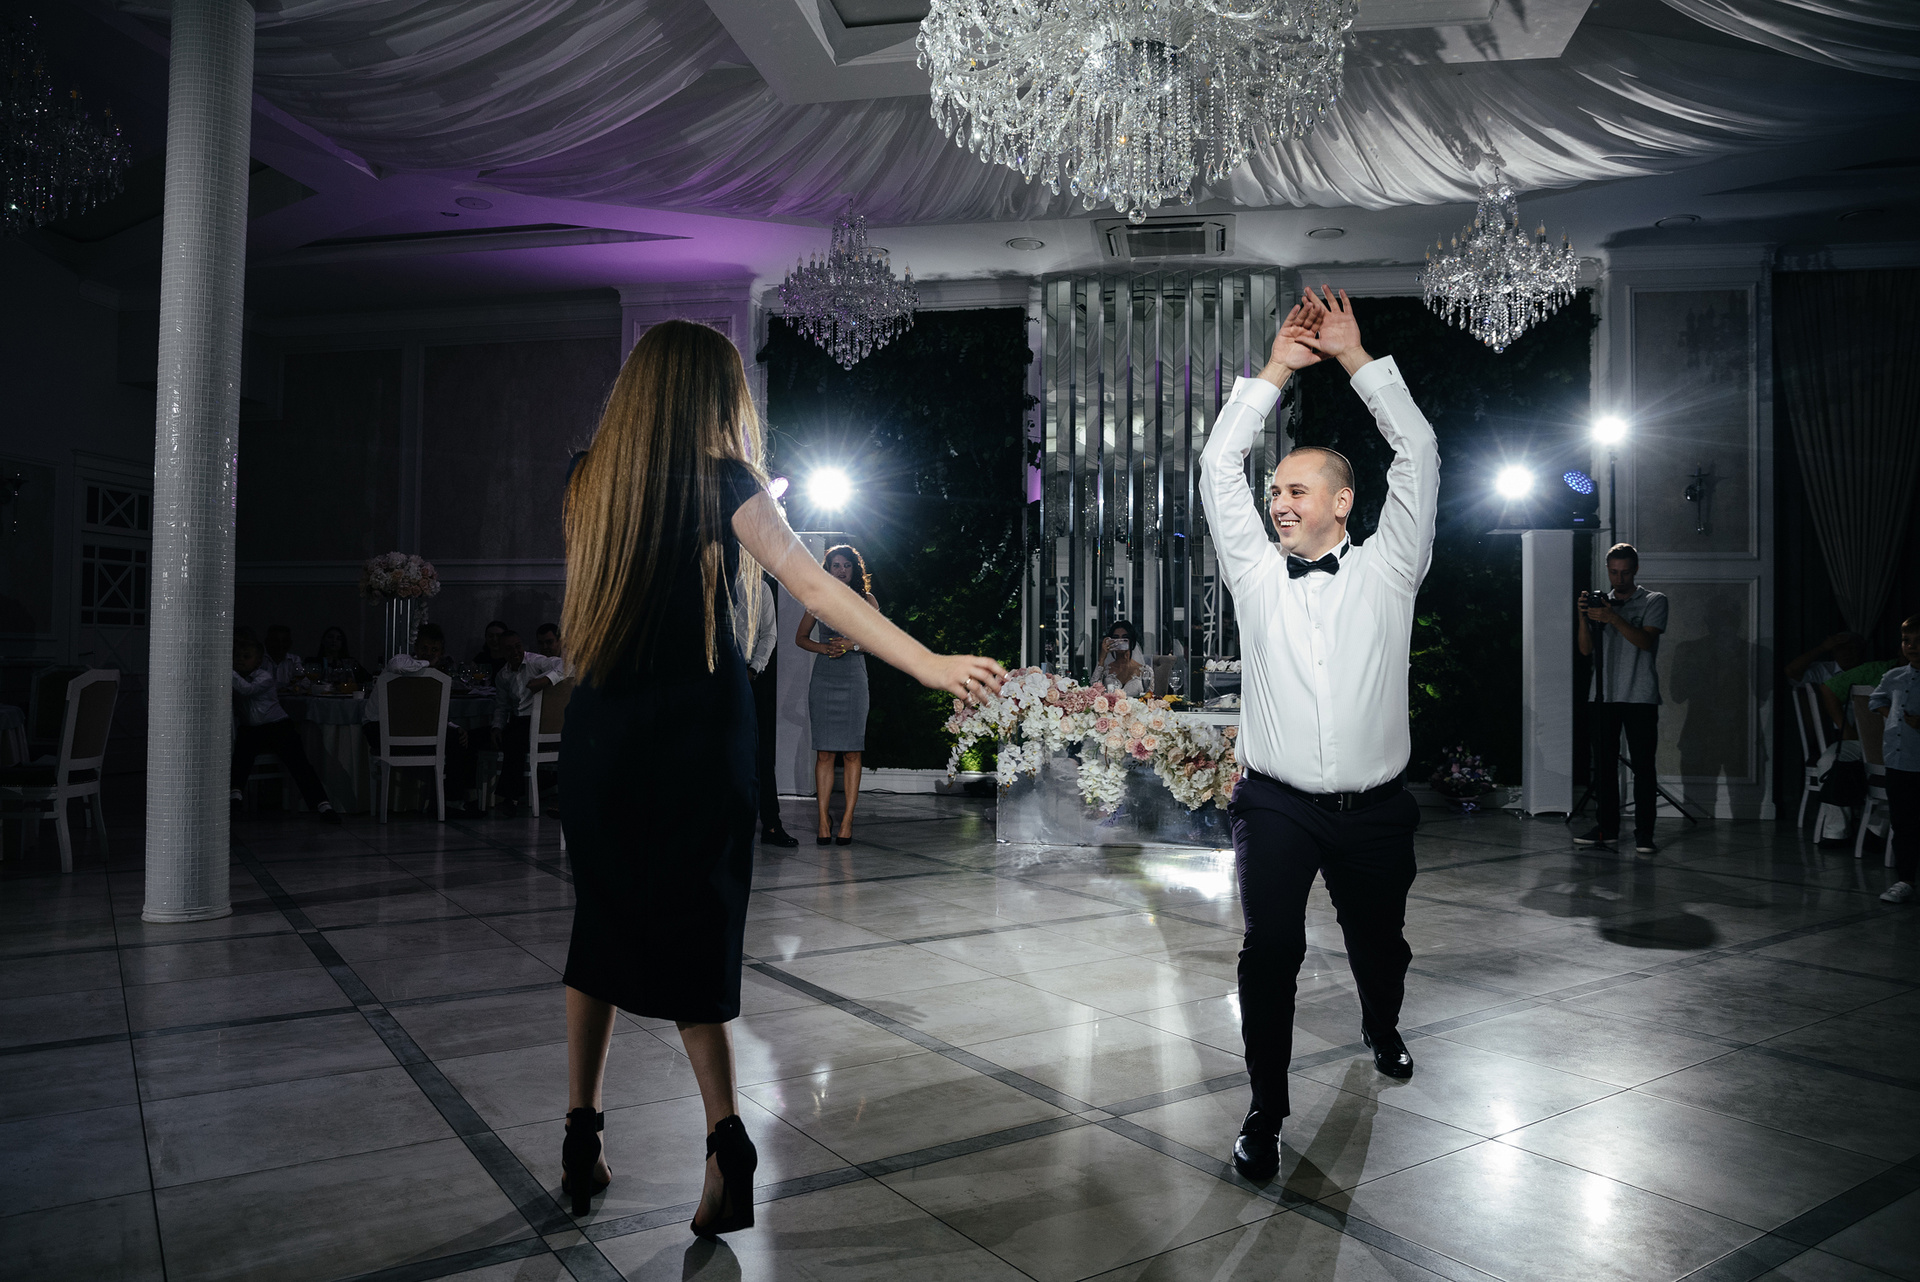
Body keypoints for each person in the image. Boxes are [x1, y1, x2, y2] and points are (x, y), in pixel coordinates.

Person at [554, 320, 1001, 1235]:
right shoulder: (727, 483)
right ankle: (727, 1142)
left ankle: (580, 1137)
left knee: (597, 924)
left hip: (600, 734)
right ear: (714, 397)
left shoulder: (588, 478)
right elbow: (817, 588)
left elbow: (624, 582)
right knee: (696, 931)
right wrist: (927, 662)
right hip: (694, 734)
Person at [1197, 286, 1438, 1184]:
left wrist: (1355, 360)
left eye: (1296, 490)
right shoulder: (1256, 574)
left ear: (1343, 502)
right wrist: (1271, 372)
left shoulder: (1391, 569)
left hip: (1376, 810)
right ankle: (1265, 1110)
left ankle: (1382, 1019)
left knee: (1382, 947)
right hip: (1276, 804)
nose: (1278, 503)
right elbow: (1218, 465)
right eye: (1275, 492)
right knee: (1270, 952)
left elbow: (1418, 452)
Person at [1573, 544, 1669, 855]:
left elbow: (1645, 641)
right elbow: (1585, 650)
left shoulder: (1654, 600)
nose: (1619, 578)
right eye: (1614, 572)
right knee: (1603, 767)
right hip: (1603, 695)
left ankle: (1645, 834)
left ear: (1635, 570)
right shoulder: (1602, 602)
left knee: (1643, 767)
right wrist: (1584, 617)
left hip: (1640, 695)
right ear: (1608, 570)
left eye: (1625, 572)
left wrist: (1613, 618)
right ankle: (1607, 828)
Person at [795, 545, 875, 846]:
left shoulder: (867, 600)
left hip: (854, 677)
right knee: (825, 753)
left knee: (852, 752)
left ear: (855, 569)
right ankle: (822, 820)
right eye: (835, 565)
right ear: (827, 569)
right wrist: (824, 647)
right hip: (825, 678)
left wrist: (852, 644)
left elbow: (878, 642)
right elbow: (800, 638)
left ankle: (847, 820)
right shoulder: (817, 599)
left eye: (846, 565)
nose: (841, 570)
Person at [362, 623, 478, 816]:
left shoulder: (436, 678)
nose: (429, 653)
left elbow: (429, 713)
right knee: (451, 741)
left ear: (441, 653)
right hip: (379, 729)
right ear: (415, 648)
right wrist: (427, 663)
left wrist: (454, 727)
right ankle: (451, 801)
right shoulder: (403, 662)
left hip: (411, 729)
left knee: (460, 739)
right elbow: (397, 665)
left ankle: (457, 801)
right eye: (424, 648)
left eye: (434, 650)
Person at [231, 633, 339, 823]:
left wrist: (228, 671)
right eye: (237, 656)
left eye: (246, 656)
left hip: (278, 725)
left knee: (299, 762)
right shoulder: (234, 679)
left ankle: (323, 805)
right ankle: (235, 796)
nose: (240, 660)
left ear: (258, 661)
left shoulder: (264, 677)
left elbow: (247, 690)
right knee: (241, 754)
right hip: (251, 728)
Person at [735, 575, 797, 847]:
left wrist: (753, 669)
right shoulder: (713, 581)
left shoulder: (760, 588)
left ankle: (771, 824)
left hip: (752, 677)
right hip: (717, 677)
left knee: (761, 753)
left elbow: (769, 633)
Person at [1871, 615, 1920, 903]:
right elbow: (1876, 699)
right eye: (1906, 641)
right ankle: (1905, 880)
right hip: (1898, 760)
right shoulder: (1894, 676)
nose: (1912, 647)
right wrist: (1892, 716)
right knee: (1903, 823)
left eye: (1919, 641)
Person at [492, 631, 566, 812]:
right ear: (502, 652)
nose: (515, 652)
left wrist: (545, 680)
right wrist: (496, 727)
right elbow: (502, 706)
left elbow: (565, 665)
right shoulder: (503, 675)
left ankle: (511, 797)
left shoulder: (535, 662)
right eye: (509, 649)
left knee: (513, 740)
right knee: (505, 737)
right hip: (518, 722)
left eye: (518, 646)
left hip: (538, 721)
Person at [1091, 620, 1149, 695]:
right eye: (1116, 638)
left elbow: (1150, 696)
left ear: (1131, 641)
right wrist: (1102, 658)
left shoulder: (1144, 671)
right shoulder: (1105, 671)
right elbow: (1093, 691)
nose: (1120, 641)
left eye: (1125, 638)